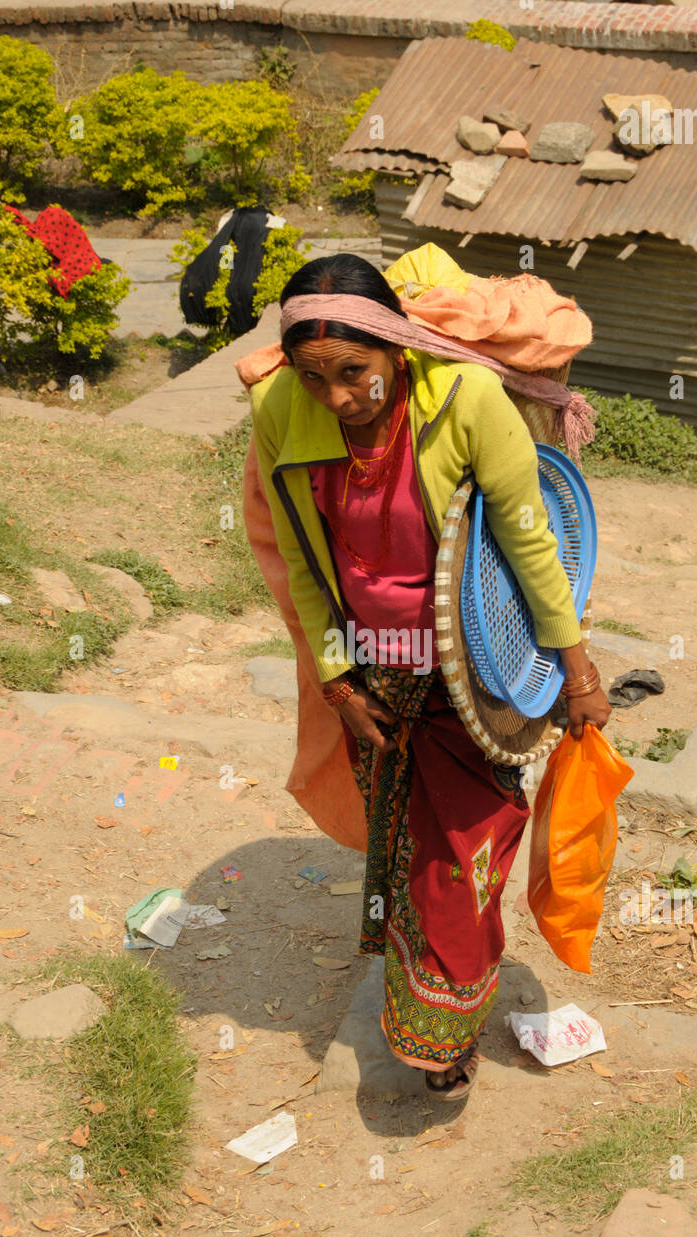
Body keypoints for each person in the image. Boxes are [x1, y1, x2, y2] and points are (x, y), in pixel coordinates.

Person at [248, 254, 611, 1101]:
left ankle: (442, 1028)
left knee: (465, 851)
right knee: (404, 848)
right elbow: (304, 558)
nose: (336, 399)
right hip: (375, 677)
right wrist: (339, 684)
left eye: (354, 374)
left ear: (396, 351)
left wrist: (576, 668)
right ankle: (422, 1007)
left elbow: (527, 540)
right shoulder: (279, 412)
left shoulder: (465, 401)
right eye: (313, 378)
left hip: (477, 671)